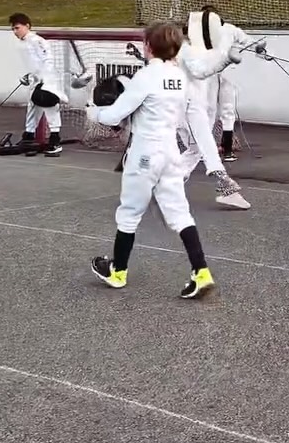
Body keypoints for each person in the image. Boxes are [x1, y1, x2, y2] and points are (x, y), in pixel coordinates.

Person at [88, 20, 240, 298]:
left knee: (130, 212)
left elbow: (113, 115)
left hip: (146, 153)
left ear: (148, 46)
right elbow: (189, 111)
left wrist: (93, 112)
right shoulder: (180, 78)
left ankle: (118, 271)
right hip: (171, 152)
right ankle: (201, 271)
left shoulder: (146, 77)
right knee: (180, 213)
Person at [177, 14, 251, 210]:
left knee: (197, 149)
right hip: (187, 107)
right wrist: (226, 60)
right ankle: (226, 187)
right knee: (203, 147)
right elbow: (200, 71)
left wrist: (256, 49)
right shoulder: (186, 50)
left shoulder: (192, 49)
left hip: (193, 106)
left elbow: (207, 65)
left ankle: (165, 184)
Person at [185, 6, 251, 161]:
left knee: (227, 109)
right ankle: (205, 150)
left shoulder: (230, 30)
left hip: (228, 73)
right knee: (209, 109)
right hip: (210, 73)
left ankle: (227, 148)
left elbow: (248, 41)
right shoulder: (197, 34)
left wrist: (258, 49)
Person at [9, 12, 67, 156]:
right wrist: (26, 77)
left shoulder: (37, 41)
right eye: (13, 29)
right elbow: (29, 65)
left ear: (27, 26)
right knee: (32, 107)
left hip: (47, 81)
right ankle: (29, 137)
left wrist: (44, 79)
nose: (15, 32)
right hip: (35, 81)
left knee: (50, 108)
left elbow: (48, 60)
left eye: (17, 28)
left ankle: (55, 142)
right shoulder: (22, 44)